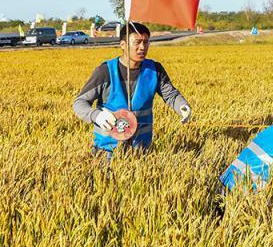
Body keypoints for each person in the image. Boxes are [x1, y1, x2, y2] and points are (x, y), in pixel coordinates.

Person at [73, 22, 192, 158]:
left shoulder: (154, 70)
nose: (142, 47)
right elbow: (79, 102)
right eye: (137, 42)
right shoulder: (105, 71)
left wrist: (182, 105)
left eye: (146, 42)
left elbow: (170, 95)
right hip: (107, 151)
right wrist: (95, 115)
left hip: (141, 151)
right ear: (123, 45)